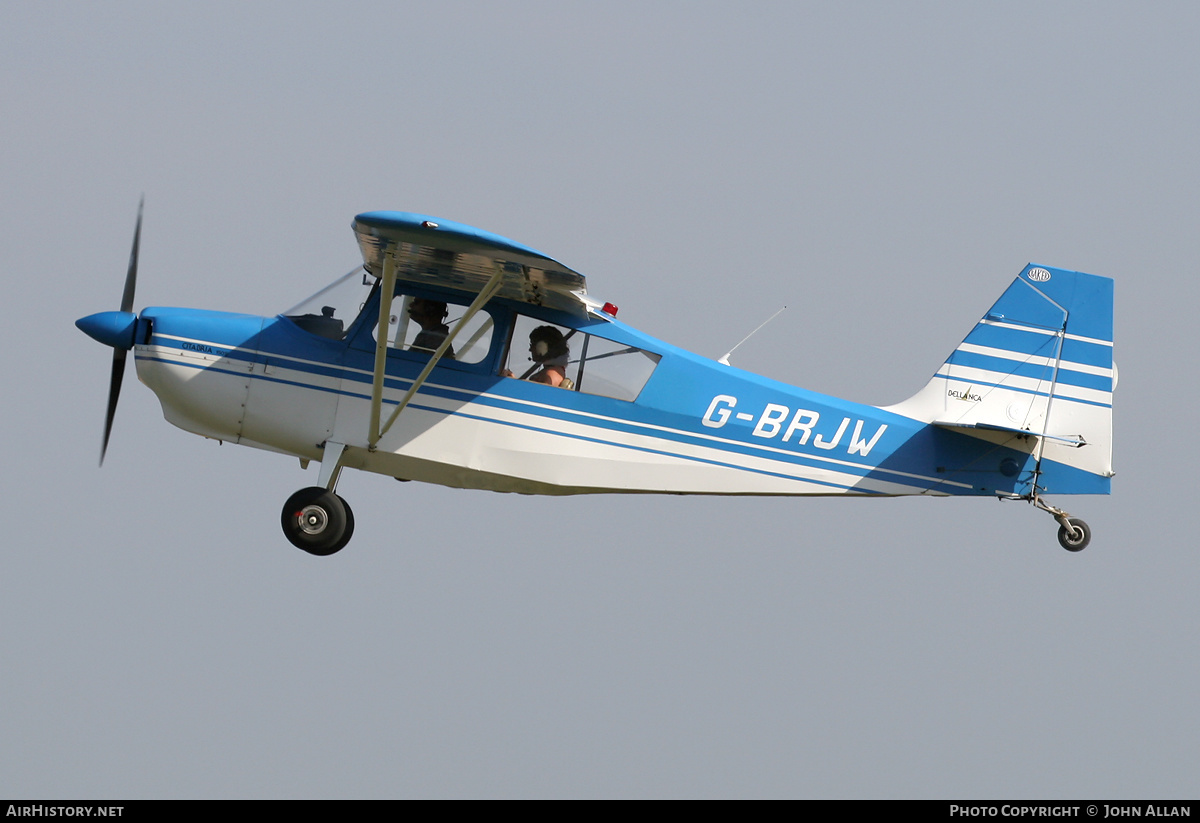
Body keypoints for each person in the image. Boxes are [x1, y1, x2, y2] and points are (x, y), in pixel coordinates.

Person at [502, 325, 574, 389]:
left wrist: (513, 383)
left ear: (543, 347)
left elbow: (535, 397)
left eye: (532, 345)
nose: (530, 349)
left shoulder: (550, 374)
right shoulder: (553, 371)